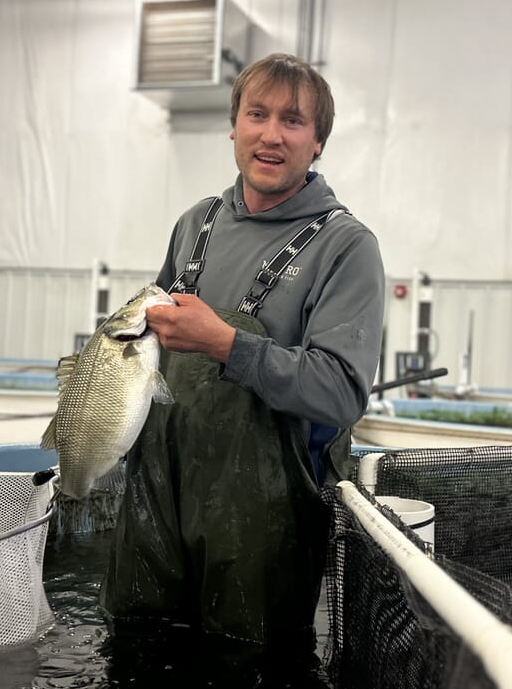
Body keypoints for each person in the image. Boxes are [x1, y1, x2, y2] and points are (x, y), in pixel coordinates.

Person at [99, 52, 385, 649]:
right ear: (234, 125)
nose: (271, 135)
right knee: (134, 652)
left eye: (293, 121)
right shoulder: (195, 225)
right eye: (257, 114)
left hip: (264, 526)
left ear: (319, 142)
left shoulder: (345, 246)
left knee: (248, 684)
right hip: (158, 498)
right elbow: (142, 348)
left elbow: (340, 394)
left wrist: (228, 344)